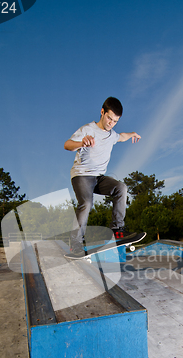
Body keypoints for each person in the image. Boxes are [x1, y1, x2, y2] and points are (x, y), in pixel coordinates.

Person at [64, 97, 141, 256]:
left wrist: (132, 133)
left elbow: (122, 136)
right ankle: (76, 244)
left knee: (121, 188)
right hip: (82, 175)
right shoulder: (87, 129)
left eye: (115, 121)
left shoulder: (112, 135)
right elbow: (67, 145)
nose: (110, 123)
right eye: (109, 118)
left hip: (98, 178)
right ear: (102, 112)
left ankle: (117, 231)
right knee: (86, 203)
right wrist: (81, 143)